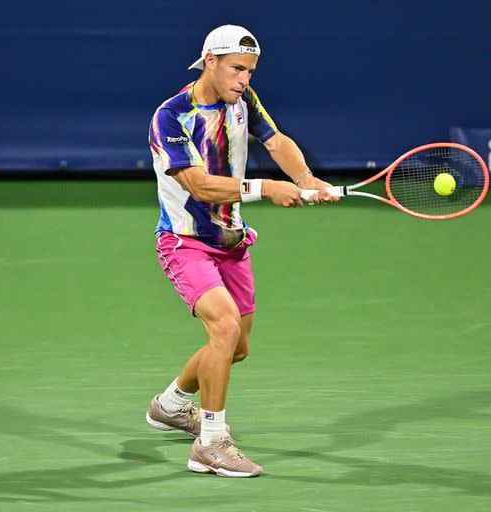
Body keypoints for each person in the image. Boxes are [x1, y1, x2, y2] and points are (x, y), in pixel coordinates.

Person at [145, 24, 337, 478]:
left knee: (237, 346)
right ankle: (210, 443)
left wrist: (306, 178)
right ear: (209, 60)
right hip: (185, 241)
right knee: (225, 327)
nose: (244, 79)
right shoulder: (170, 116)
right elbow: (198, 184)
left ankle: (170, 404)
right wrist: (268, 187)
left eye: (250, 70)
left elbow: (277, 141)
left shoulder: (243, 100)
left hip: (232, 241)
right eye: (237, 68)